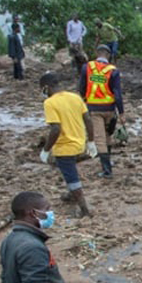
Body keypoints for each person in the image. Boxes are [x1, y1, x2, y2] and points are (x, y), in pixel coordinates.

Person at [39, 72, 96, 217]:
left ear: (46, 87)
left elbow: (56, 128)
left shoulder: (50, 103)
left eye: (42, 89)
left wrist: (46, 149)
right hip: (79, 144)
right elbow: (88, 120)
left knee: (72, 178)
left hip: (64, 147)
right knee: (68, 169)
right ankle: (71, 194)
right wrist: (91, 141)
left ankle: (84, 210)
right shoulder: (75, 97)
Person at [79, 44, 125, 179]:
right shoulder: (113, 70)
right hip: (110, 109)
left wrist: (84, 101)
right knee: (107, 136)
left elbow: (82, 87)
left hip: (94, 109)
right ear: (108, 55)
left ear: (96, 53)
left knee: (99, 139)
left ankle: (107, 170)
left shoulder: (87, 68)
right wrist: (121, 112)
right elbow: (117, 93)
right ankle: (108, 163)